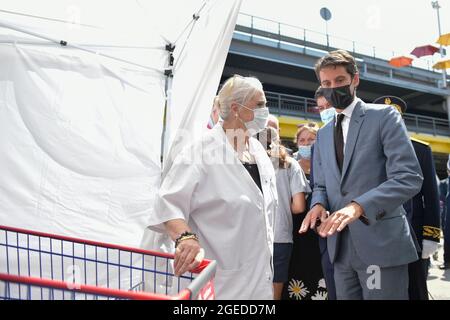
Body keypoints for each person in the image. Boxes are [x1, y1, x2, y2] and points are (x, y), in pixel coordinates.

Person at [300, 50, 423, 300]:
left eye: (340, 81)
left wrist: (358, 207)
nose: (333, 88)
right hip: (341, 248)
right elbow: (322, 184)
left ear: (355, 79)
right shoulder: (322, 135)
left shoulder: (384, 117)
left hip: (380, 245)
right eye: (326, 83)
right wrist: (318, 203)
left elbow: (408, 177)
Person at [148, 74, 278, 299]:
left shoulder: (258, 151)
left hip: (259, 281)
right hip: (218, 284)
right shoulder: (201, 152)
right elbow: (168, 204)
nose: (265, 110)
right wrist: (185, 238)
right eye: (259, 105)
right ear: (236, 108)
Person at [373, 95, 441, 300]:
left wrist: (431, 236)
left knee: (415, 288)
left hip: (413, 233)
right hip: (377, 232)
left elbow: (431, 197)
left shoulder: (420, 149)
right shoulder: (366, 149)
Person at [258, 126, 310, 300]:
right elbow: (299, 206)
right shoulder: (290, 164)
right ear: (277, 140)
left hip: (251, 237)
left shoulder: (244, 163)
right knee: (274, 293)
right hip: (280, 236)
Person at [283, 122, 326, 300]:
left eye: (311, 140)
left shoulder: (326, 166)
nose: (306, 144)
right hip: (295, 230)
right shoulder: (288, 166)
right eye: (302, 140)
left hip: (319, 232)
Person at [313, 87, 337, 300]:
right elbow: (318, 185)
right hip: (330, 233)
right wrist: (318, 204)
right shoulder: (319, 140)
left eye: (328, 106)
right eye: (321, 108)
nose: (325, 111)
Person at [439, 157, 450, 270]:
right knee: (447, 239)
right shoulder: (443, 184)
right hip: (447, 217)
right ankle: (447, 261)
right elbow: (441, 201)